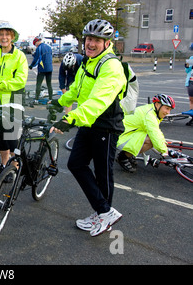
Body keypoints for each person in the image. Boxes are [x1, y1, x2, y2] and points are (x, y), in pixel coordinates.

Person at [49, 19, 125, 237]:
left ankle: (104, 214)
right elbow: (77, 90)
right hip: (88, 122)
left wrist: (69, 119)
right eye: (89, 39)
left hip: (106, 125)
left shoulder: (111, 66)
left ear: (106, 42)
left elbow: (98, 101)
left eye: (97, 40)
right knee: (76, 163)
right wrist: (58, 102)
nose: (91, 44)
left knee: (103, 173)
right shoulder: (87, 62)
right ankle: (103, 210)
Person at [0, 23, 28, 175]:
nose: (4, 37)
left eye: (7, 35)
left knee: (12, 138)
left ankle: (14, 169)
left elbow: (21, 79)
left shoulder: (19, 56)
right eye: (1, 34)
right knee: (1, 136)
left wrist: (1, 86)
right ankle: (4, 167)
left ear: (12, 37)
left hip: (14, 100)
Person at [116, 94, 175, 172]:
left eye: (170, 109)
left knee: (150, 137)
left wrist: (163, 143)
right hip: (120, 137)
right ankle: (123, 157)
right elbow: (155, 134)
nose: (168, 112)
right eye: (167, 108)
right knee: (151, 141)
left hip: (125, 133)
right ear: (157, 105)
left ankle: (128, 154)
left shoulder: (150, 110)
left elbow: (156, 131)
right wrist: (164, 150)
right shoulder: (149, 115)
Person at [29, 35, 53, 102]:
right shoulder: (49, 47)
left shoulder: (39, 48)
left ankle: (36, 99)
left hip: (42, 69)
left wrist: (31, 66)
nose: (35, 46)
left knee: (38, 84)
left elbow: (36, 59)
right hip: (50, 68)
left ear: (37, 42)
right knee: (49, 84)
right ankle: (50, 98)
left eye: (35, 44)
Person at [184, 56, 193, 125]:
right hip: (191, 81)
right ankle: (192, 117)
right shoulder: (191, 58)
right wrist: (187, 66)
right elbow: (187, 71)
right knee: (191, 99)